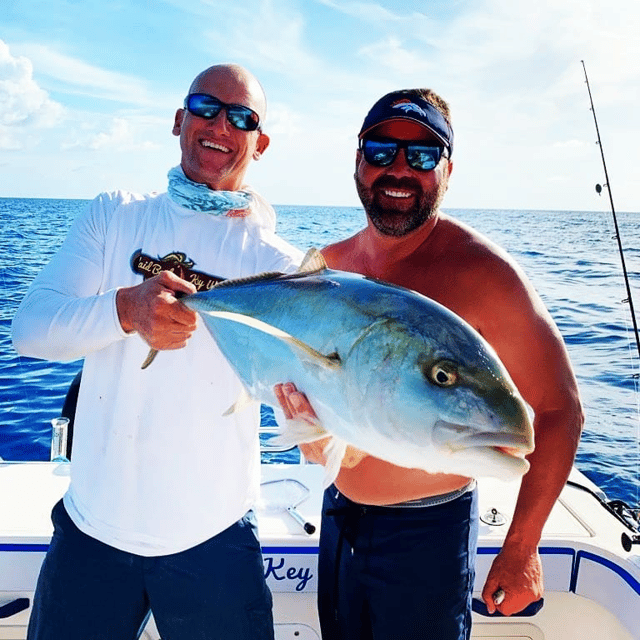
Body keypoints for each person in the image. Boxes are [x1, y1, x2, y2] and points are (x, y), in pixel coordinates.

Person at [275, 88, 583, 639]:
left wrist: (521, 547)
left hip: (429, 535)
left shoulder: (485, 276)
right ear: (358, 161)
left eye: (421, 155)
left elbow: (561, 408)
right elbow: (317, 407)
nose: (398, 169)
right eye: (381, 150)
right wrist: (311, 433)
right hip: (338, 517)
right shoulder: (327, 268)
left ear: (447, 169)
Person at [12, 63, 303, 640]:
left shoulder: (281, 267)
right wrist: (126, 310)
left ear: (259, 142)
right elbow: (30, 329)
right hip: (90, 537)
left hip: (213, 543)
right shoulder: (113, 214)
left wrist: (320, 419)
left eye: (242, 117)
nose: (221, 124)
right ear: (179, 120)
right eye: (205, 107)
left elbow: (300, 396)